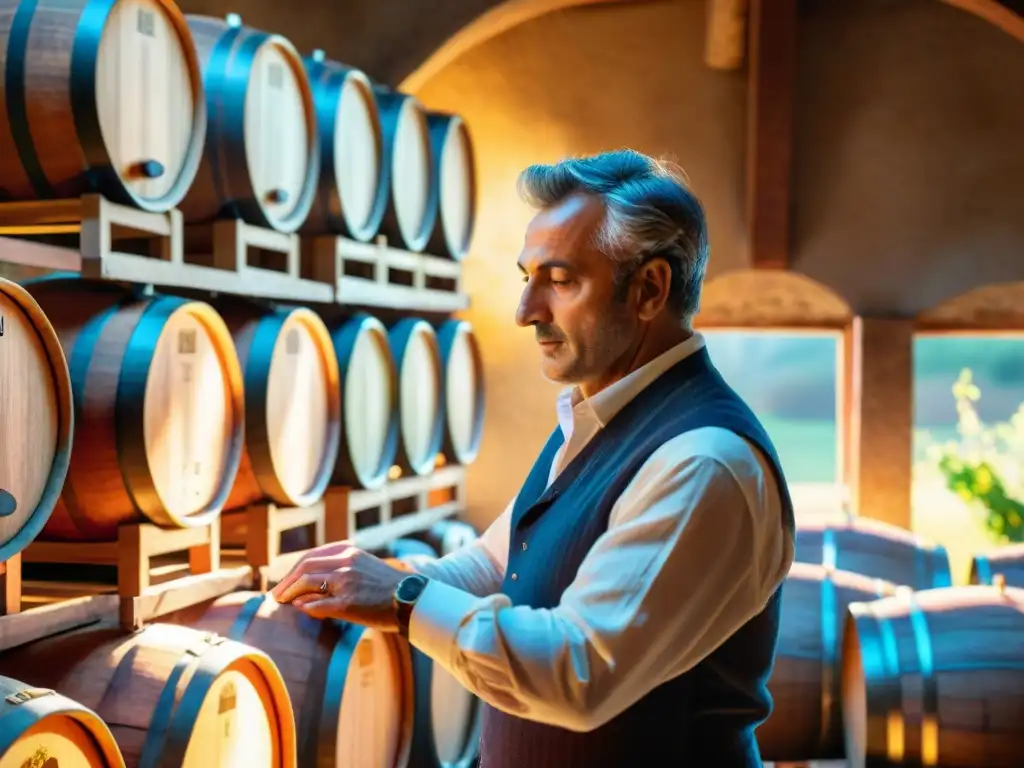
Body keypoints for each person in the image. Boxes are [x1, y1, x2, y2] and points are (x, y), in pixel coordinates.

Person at [272, 149, 795, 766]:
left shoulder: (705, 462)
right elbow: (496, 567)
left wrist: (404, 599)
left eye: (562, 280)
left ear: (650, 289)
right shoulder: (596, 417)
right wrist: (362, 578)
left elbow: (579, 671)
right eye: (528, 278)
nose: (526, 312)